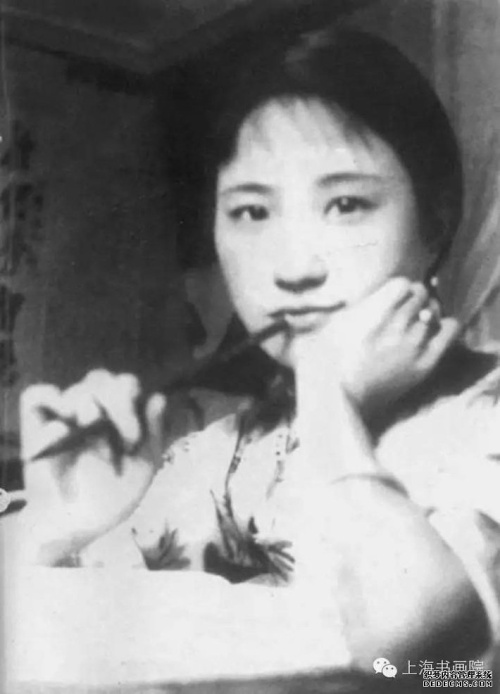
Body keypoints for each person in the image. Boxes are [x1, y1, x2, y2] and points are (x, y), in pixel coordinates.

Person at [12, 24, 500, 674]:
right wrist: (55, 525)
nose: (294, 268)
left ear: (435, 224)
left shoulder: (486, 423)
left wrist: (330, 405)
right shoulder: (212, 456)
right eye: (251, 212)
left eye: (346, 204)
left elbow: (415, 657)